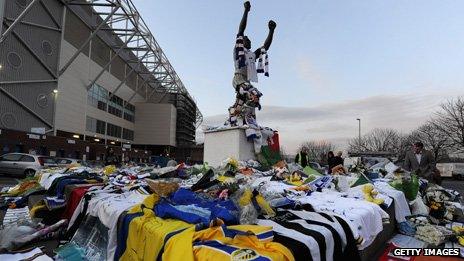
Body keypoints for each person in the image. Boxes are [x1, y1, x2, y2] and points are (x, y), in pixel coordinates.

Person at [229, 1, 277, 126]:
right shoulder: (238, 49)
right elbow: (241, 29)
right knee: (253, 94)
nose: (248, 41)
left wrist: (271, 31)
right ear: (242, 41)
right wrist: (246, 11)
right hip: (239, 78)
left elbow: (265, 47)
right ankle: (243, 114)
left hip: (247, 80)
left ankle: (237, 116)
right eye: (246, 39)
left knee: (243, 104)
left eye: (249, 40)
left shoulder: (251, 55)